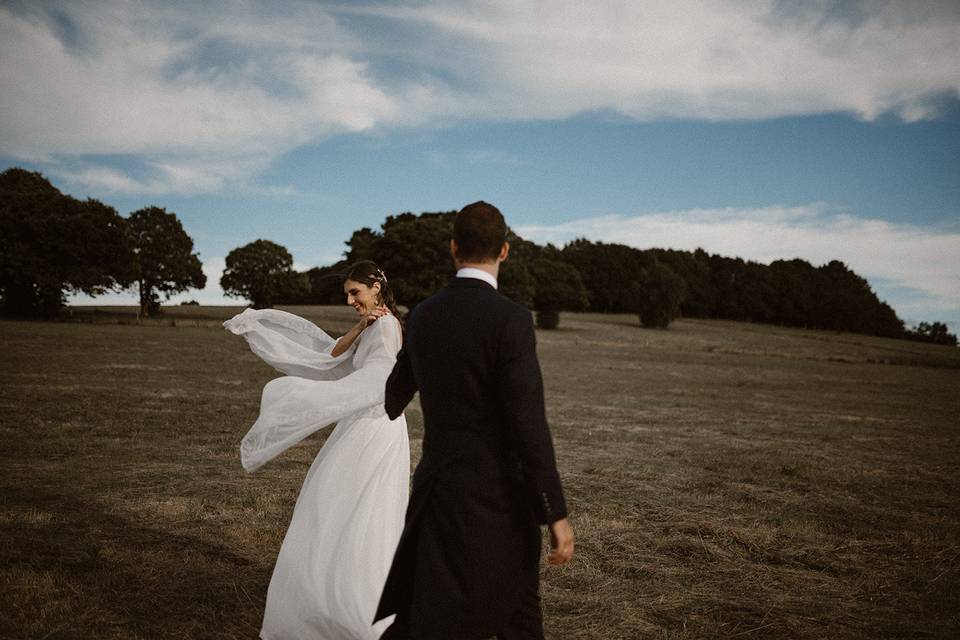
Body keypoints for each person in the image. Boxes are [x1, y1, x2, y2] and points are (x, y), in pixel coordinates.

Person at [375, 201, 574, 640]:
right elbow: (529, 424)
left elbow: (392, 398)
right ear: (504, 250)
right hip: (503, 502)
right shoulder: (512, 320)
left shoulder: (423, 316)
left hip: (440, 494)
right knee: (519, 618)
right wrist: (554, 511)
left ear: (453, 248)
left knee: (433, 613)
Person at [223, 260, 409, 640]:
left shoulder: (389, 328)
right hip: (361, 425)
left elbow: (380, 381)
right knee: (333, 505)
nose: (350, 300)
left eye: (355, 292)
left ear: (376, 286)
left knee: (357, 509)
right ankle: (329, 596)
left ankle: (357, 605)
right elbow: (334, 355)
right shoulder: (374, 324)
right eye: (347, 295)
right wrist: (359, 326)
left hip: (376, 427)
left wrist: (318, 398)